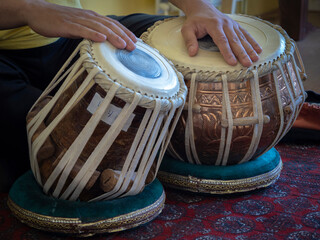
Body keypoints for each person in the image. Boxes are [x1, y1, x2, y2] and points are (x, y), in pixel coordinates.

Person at [0, 0, 262, 191]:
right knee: (47, 132)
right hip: (7, 57)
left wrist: (198, 6)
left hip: (73, 30)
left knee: (178, 37)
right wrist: (28, 9)